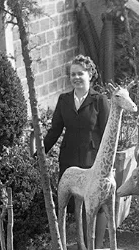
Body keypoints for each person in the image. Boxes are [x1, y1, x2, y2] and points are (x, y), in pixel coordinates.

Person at [42, 55, 110, 233]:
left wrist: (109, 164)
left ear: (90, 74)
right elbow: (55, 130)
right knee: (72, 204)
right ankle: (79, 243)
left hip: (92, 161)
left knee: (94, 202)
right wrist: (39, 153)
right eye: (73, 74)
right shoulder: (64, 100)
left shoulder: (100, 101)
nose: (76, 77)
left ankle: (95, 244)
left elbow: (107, 135)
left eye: (80, 73)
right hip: (69, 160)